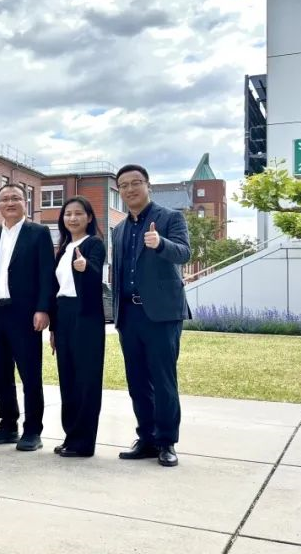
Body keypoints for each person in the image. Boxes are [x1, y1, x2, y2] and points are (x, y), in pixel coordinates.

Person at [112, 164, 191, 467]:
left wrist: (160, 244)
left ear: (148, 186)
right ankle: (146, 438)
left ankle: (166, 441)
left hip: (161, 314)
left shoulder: (170, 218)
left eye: (136, 183)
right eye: (123, 185)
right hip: (129, 314)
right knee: (137, 381)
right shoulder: (120, 229)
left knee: (163, 380)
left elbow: (184, 253)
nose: (130, 189)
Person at [0, 183, 54, 452]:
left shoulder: (38, 233)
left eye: (15, 198)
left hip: (25, 314)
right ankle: (8, 425)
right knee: (1, 374)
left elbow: (46, 273)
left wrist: (43, 309)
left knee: (30, 375)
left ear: (25, 202)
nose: (10, 203)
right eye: (5, 199)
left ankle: (32, 431)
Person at [48, 196, 106, 458]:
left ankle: (84, 443)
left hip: (86, 318)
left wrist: (85, 267)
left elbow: (95, 277)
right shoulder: (63, 249)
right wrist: (53, 328)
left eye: (78, 213)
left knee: (86, 379)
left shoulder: (93, 244)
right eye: (68, 214)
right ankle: (71, 436)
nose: (72, 218)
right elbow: (56, 289)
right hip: (64, 316)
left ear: (89, 218)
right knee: (68, 378)